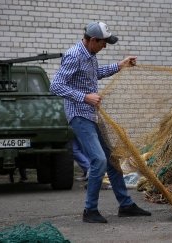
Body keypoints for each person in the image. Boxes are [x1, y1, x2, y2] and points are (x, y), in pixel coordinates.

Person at [50, 21, 151, 223]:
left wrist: (119, 66)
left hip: (93, 114)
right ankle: (90, 211)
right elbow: (56, 86)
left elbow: (94, 75)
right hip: (80, 115)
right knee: (99, 160)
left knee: (112, 160)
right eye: (103, 43)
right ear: (93, 40)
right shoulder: (74, 55)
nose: (105, 47)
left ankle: (126, 205)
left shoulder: (90, 56)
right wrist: (84, 97)